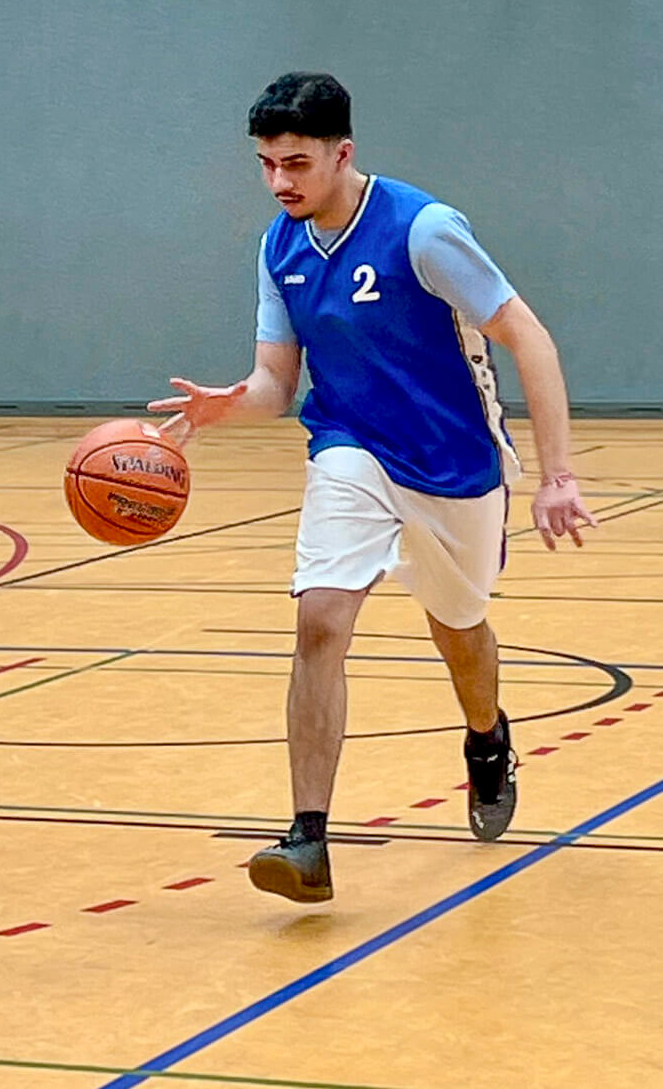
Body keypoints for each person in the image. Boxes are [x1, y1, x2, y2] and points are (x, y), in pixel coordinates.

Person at [153, 72, 594, 904]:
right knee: (320, 619)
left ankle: (486, 736)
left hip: (453, 462)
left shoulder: (423, 230)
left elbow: (529, 337)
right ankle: (307, 838)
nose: (279, 182)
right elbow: (276, 385)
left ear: (342, 153)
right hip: (349, 446)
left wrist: (557, 476)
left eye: (296, 163)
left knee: (459, 628)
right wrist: (230, 403)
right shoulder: (279, 248)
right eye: (266, 164)